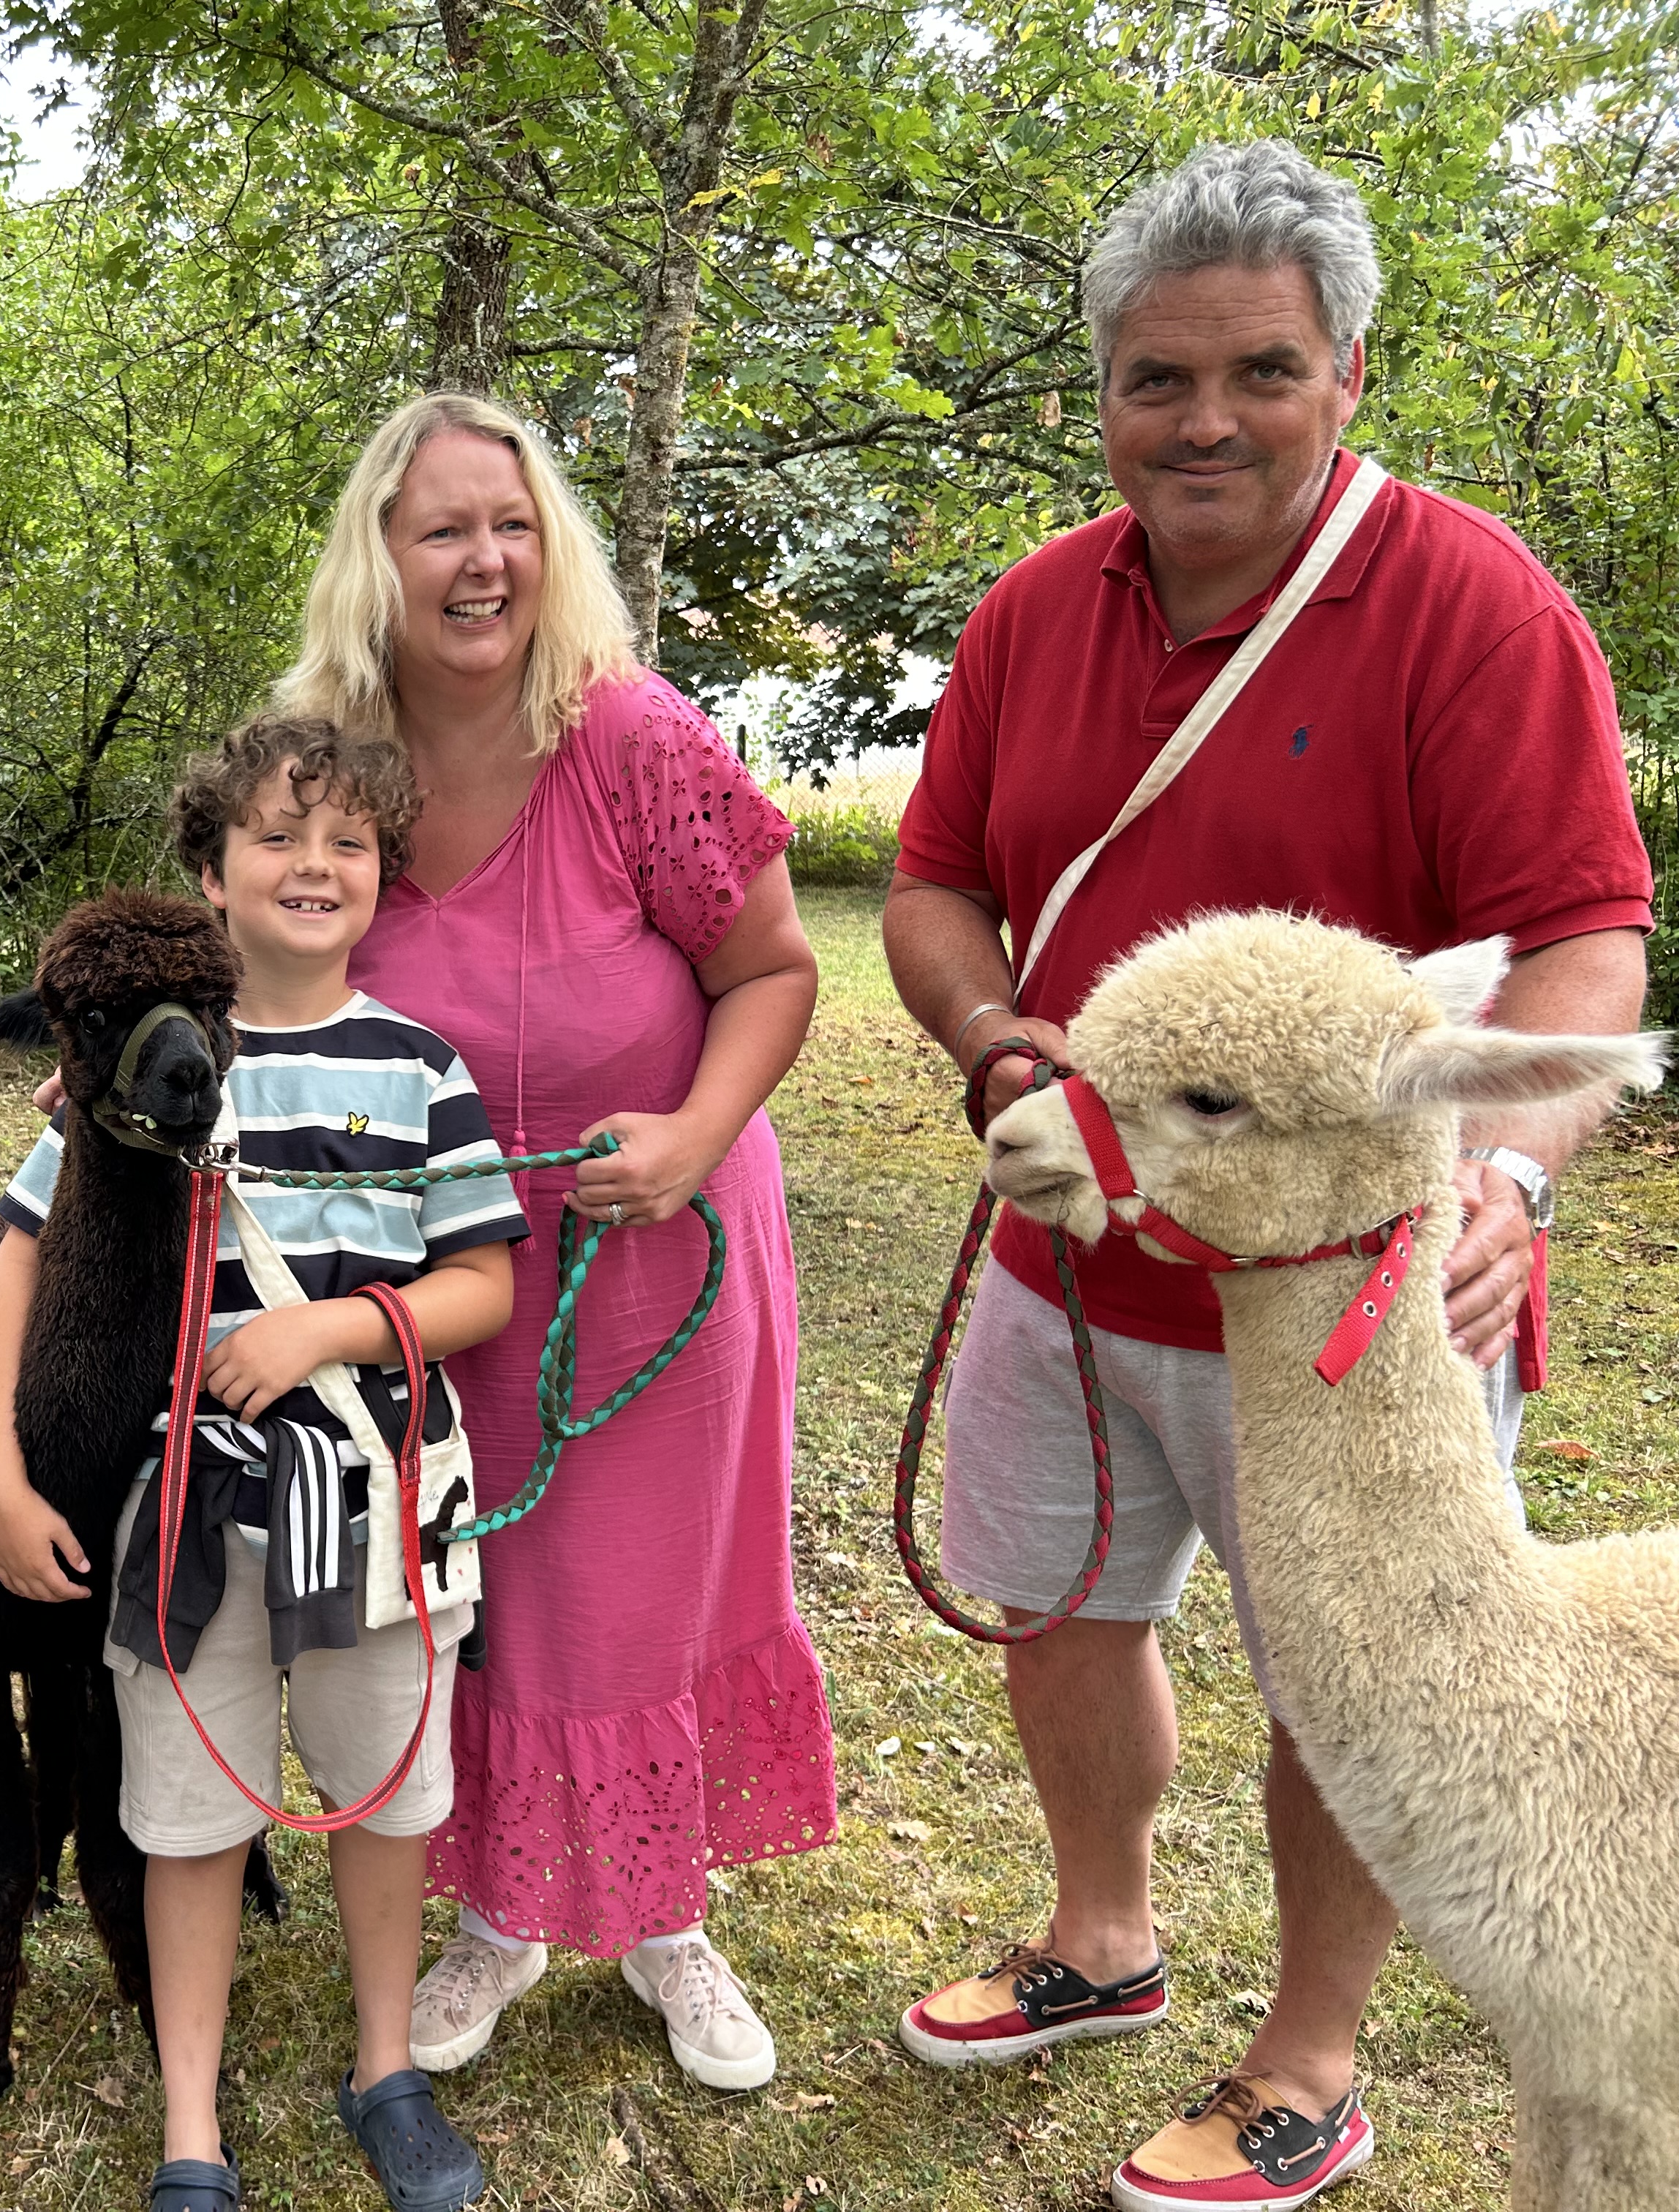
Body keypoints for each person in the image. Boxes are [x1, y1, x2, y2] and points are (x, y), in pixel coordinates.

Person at [881, 141, 1653, 2212]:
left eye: (1260, 371)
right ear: (1105, 393)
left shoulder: (1472, 607)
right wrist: (999, 1046)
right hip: (1074, 1250)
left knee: (1364, 1659)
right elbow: (938, 884)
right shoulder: (1037, 611)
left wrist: (1507, 1176)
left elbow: (1585, 936)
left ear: (1347, 374)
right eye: (1159, 378)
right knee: (1061, 1604)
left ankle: (1310, 2055)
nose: (1205, 420)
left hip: (1343, 1294)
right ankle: (1102, 1935)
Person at [272, 392, 832, 2091]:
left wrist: (693, 1136)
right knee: (477, 1596)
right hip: (432, 1276)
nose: (484, 562)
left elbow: (774, 967)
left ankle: (668, 1920)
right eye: (443, 528)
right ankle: (503, 1914)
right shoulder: (325, 765)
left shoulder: (634, 737)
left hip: (644, 1246)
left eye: (511, 527)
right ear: (379, 557)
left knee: (642, 1596)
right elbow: (262, 978)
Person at [0, 715, 528, 2212]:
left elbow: (483, 1281)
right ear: (210, 875)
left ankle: (386, 2068)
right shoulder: (135, 1069)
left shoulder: (418, 1069)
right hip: (186, 1520)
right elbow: (19, 1257)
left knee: (385, 1797)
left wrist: (328, 1331)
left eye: (349, 840)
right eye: (277, 837)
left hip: (375, 1503)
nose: (314, 864)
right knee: (189, 1814)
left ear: (384, 873)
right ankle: (191, 2125)